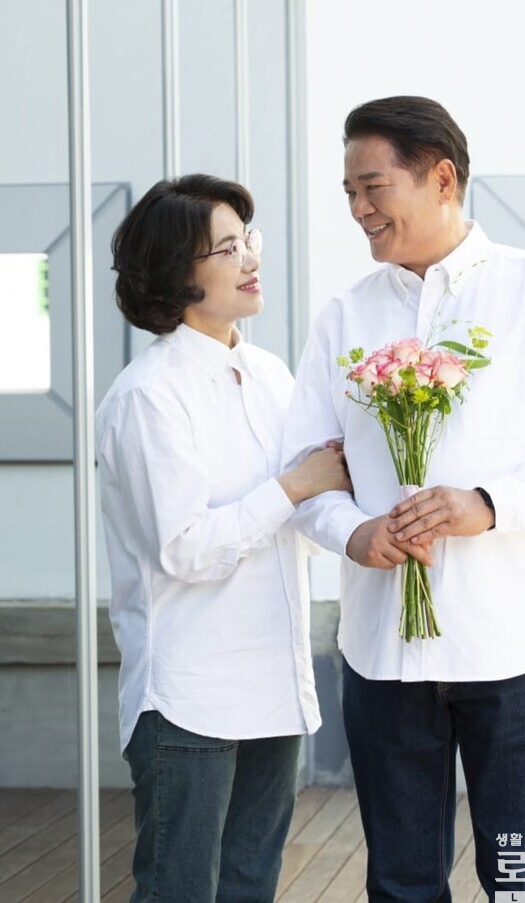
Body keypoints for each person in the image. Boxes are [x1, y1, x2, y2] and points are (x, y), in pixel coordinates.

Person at [282, 97, 525, 902]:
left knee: (522, 879)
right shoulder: (343, 316)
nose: (358, 209)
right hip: (381, 649)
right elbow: (303, 466)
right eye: (348, 193)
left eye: (372, 187)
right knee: (400, 880)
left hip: (513, 641)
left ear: (441, 178)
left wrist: (487, 502)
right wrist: (353, 531)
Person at [95, 173, 351, 903]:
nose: (251, 259)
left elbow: (304, 510)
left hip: (273, 683)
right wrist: (294, 485)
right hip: (189, 695)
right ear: (178, 270)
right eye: (228, 247)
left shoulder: (268, 374)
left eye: (249, 241)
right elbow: (185, 548)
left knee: (250, 886)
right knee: (179, 890)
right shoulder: (149, 395)